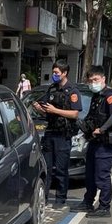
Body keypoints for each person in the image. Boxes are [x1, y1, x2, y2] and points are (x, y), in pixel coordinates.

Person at [74, 65, 112, 218]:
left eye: (95, 79)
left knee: (102, 176)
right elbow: (90, 116)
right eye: (90, 80)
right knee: (90, 174)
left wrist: (102, 129)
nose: (92, 82)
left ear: (103, 79)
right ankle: (88, 202)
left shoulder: (109, 95)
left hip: (104, 143)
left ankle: (104, 207)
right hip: (94, 141)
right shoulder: (97, 96)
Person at [32, 60, 81, 209]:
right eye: (53, 73)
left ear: (64, 73)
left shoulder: (72, 91)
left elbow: (75, 114)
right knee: (46, 168)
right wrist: (38, 108)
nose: (54, 75)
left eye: (56, 73)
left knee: (61, 169)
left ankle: (60, 199)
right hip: (50, 133)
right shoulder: (52, 89)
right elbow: (47, 111)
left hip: (63, 135)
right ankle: (44, 197)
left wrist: (55, 111)